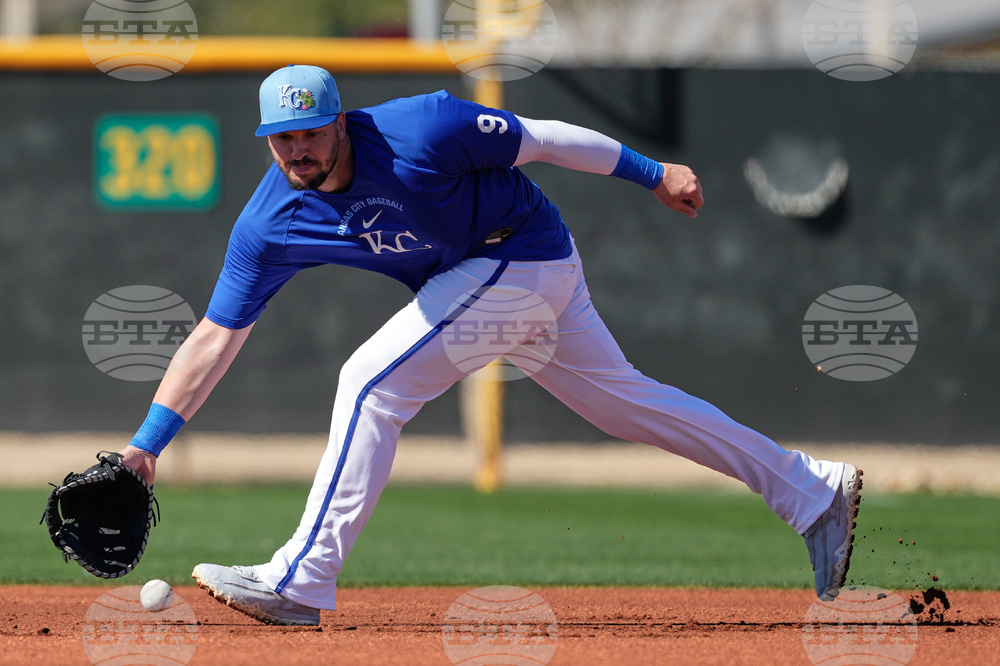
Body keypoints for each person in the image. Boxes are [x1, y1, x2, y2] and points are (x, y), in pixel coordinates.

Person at [117, 65, 862, 626]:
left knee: (373, 384)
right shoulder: (272, 220)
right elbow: (216, 334)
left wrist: (653, 173)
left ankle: (301, 579)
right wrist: (148, 445)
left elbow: (540, 139)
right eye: (283, 137)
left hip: (525, 255)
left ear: (340, 122)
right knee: (629, 408)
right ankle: (812, 491)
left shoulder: (421, 128)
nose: (298, 149)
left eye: (311, 131)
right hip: (493, 280)